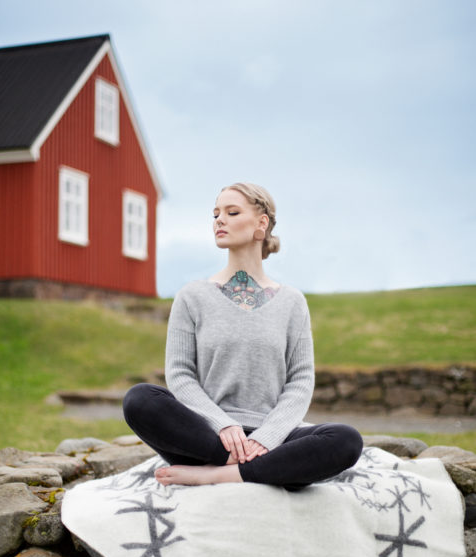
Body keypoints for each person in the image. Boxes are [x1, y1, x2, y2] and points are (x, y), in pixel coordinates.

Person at [123, 182, 363, 490]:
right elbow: (180, 375)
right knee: (139, 399)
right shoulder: (191, 296)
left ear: (261, 223)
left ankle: (215, 475)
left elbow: (301, 381)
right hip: (207, 437)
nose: (219, 220)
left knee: (345, 440)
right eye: (216, 214)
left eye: (232, 212)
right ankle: (257, 469)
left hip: (275, 439)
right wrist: (223, 425)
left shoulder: (291, 301)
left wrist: (268, 437)